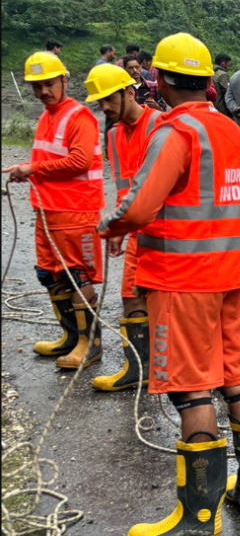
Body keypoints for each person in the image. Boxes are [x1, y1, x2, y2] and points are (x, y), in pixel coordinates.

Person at [96, 33, 240, 536]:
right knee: (235, 379)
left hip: (184, 279)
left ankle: (197, 516)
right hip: (232, 275)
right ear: (207, 80)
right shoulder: (233, 132)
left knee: (191, 388)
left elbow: (141, 205)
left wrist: (107, 226)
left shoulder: (176, 131)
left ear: (162, 79)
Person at [3, 51, 105, 371]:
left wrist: (32, 168)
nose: (43, 91)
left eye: (48, 84)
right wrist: (31, 170)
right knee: (49, 275)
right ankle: (71, 337)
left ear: (64, 80)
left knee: (77, 276)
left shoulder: (79, 117)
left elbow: (79, 161)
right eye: (37, 86)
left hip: (76, 211)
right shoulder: (48, 115)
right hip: (48, 210)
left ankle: (91, 343)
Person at [84, 63, 163, 391]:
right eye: (99, 102)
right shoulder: (114, 135)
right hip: (136, 229)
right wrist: (118, 228)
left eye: (108, 99)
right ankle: (139, 369)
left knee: (171, 304)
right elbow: (123, 187)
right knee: (130, 295)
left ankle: (191, 372)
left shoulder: (159, 125)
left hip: (169, 232)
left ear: (129, 92)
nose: (104, 107)